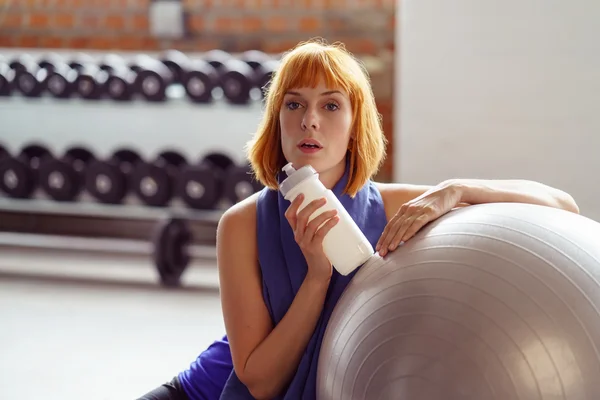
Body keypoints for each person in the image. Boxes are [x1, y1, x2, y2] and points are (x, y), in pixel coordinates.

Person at [138, 38, 579, 400]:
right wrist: (317, 278)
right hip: (205, 393)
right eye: (294, 105)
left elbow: (562, 206)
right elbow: (259, 380)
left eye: (331, 107)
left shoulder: (394, 208)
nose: (310, 121)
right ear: (277, 122)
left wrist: (455, 190)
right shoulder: (240, 224)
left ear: (354, 126)